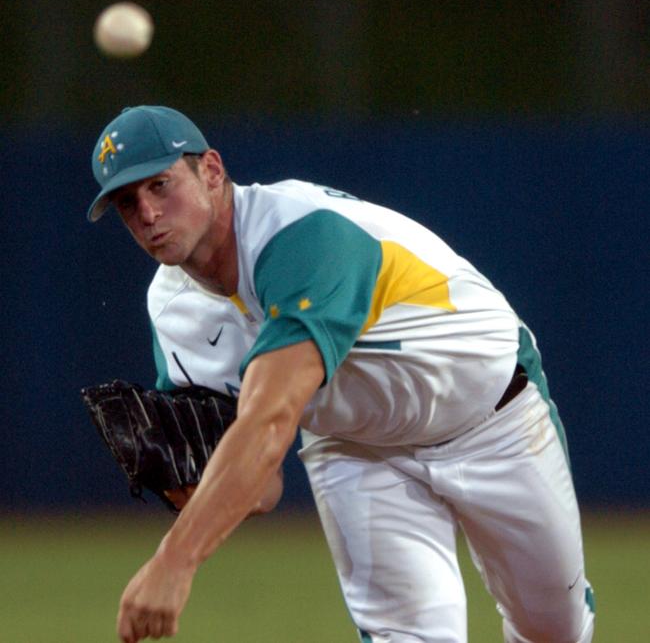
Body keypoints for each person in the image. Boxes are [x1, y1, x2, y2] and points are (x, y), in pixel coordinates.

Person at [86, 105, 595, 643]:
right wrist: (186, 484)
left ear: (211, 170)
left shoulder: (302, 237)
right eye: (126, 202)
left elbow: (269, 422)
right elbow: (264, 487)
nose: (146, 213)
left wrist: (176, 559)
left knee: (552, 632)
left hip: (493, 415)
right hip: (357, 447)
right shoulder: (172, 309)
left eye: (160, 185)